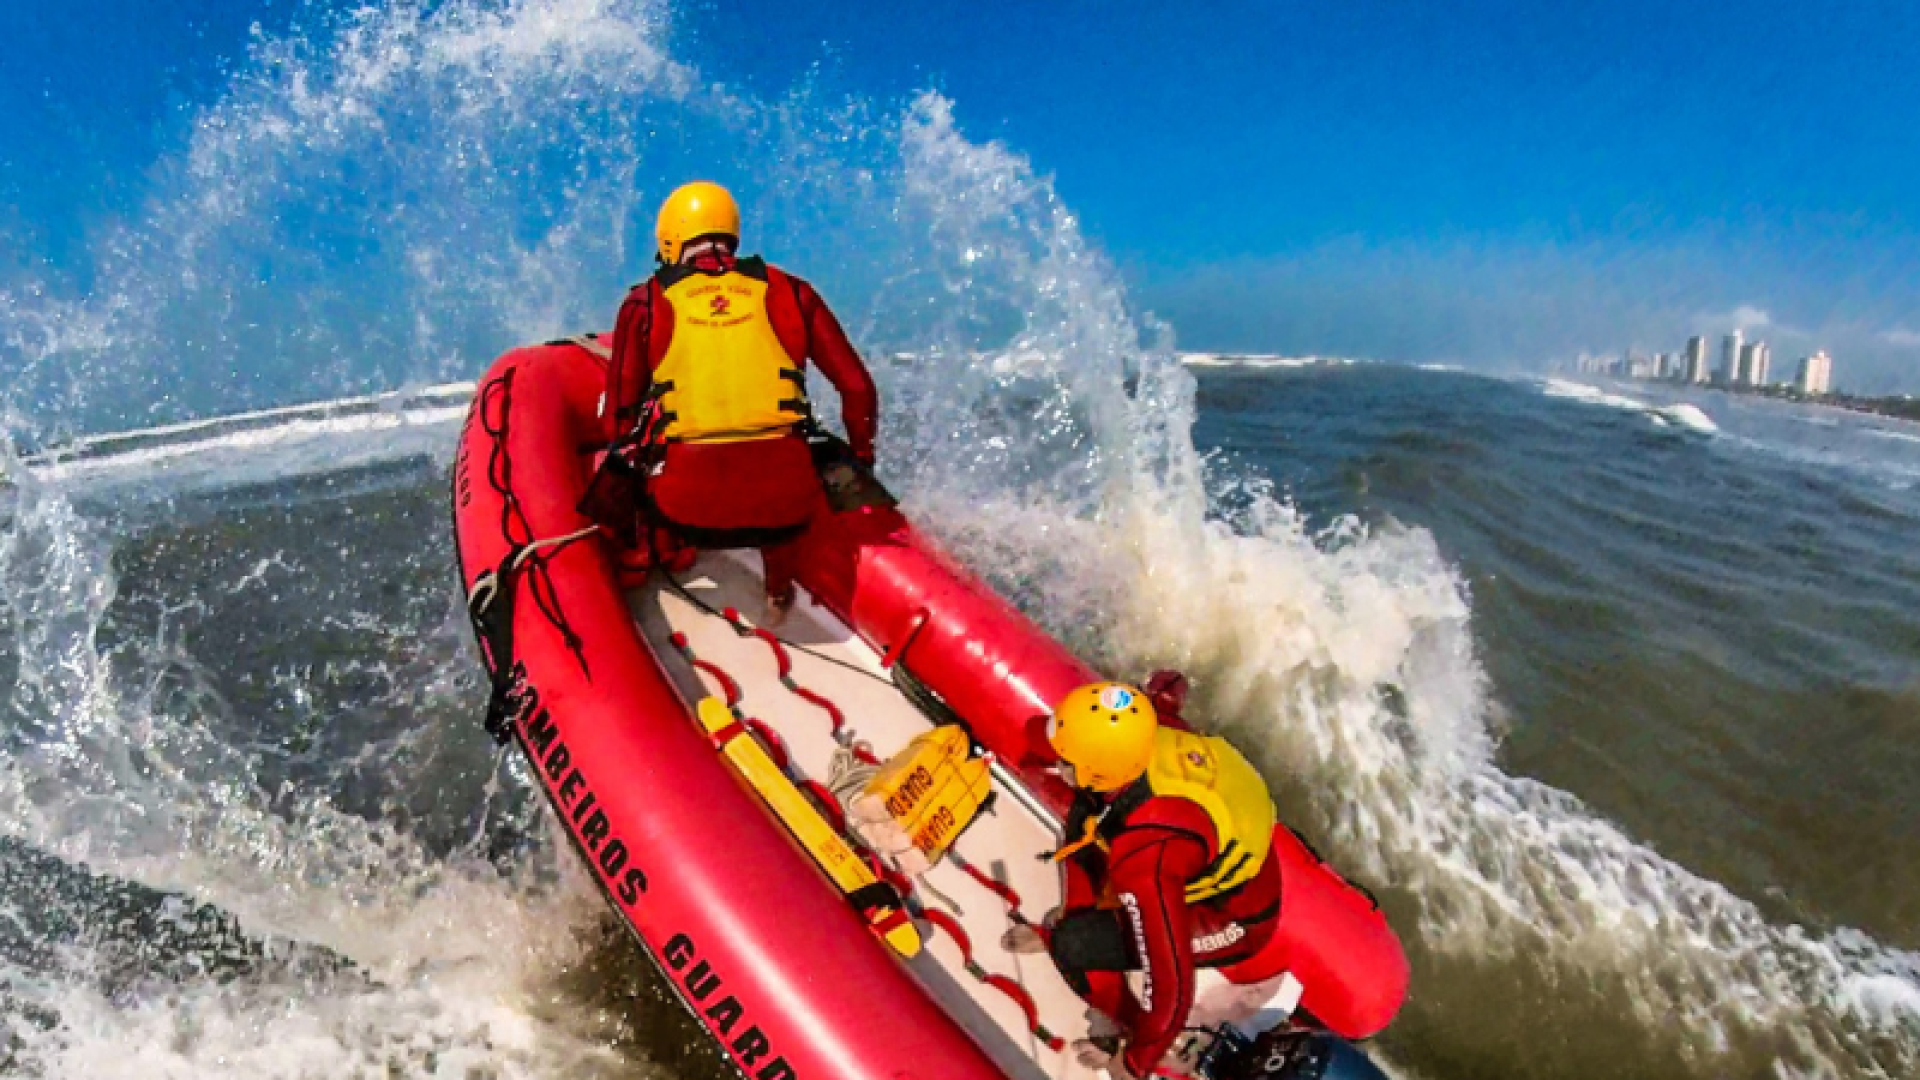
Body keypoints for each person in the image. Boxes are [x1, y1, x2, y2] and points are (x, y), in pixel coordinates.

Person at [604, 181, 878, 623]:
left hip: (684, 508)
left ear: (670, 240)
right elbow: (858, 389)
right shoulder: (794, 291)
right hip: (787, 509)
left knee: (632, 453)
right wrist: (862, 457)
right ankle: (778, 589)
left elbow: (618, 418)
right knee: (785, 453)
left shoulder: (644, 303)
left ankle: (649, 557)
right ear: (733, 235)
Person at [1004, 675, 1288, 1079]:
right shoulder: (1148, 731)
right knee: (1083, 820)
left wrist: (1133, 1064)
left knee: (1075, 945)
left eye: (1063, 759)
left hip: (1232, 918)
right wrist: (1165, 687)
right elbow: (1167, 692)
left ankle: (1123, 1026)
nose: (1055, 762)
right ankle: (1069, 929)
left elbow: (1170, 986)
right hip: (1202, 856)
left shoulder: (1147, 861)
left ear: (1097, 770)